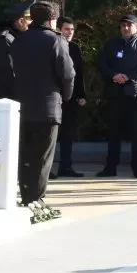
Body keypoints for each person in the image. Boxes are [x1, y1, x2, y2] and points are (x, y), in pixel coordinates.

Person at [10, 2, 75, 205]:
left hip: (22, 104)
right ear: (51, 20)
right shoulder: (56, 40)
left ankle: (26, 193)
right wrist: (65, 96)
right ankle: (36, 199)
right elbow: (67, 74)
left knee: (25, 153)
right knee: (43, 156)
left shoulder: (19, 40)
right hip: (48, 106)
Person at [96, 15, 137, 178]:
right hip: (115, 93)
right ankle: (110, 168)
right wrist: (114, 75)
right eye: (123, 25)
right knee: (113, 132)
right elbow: (102, 63)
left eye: (129, 25)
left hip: (136, 94)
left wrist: (128, 76)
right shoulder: (111, 44)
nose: (126, 28)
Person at [52, 17, 87, 178]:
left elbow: (79, 74)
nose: (70, 33)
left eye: (72, 30)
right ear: (59, 29)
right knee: (51, 134)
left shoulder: (74, 48)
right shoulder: (53, 45)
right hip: (54, 95)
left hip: (71, 96)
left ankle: (66, 166)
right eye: (66, 29)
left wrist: (81, 94)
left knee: (68, 134)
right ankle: (48, 169)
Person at [0, 2, 32, 103]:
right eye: (29, 21)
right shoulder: (4, 39)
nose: (30, 25)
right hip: (4, 100)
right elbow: (8, 73)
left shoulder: (15, 38)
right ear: (21, 21)